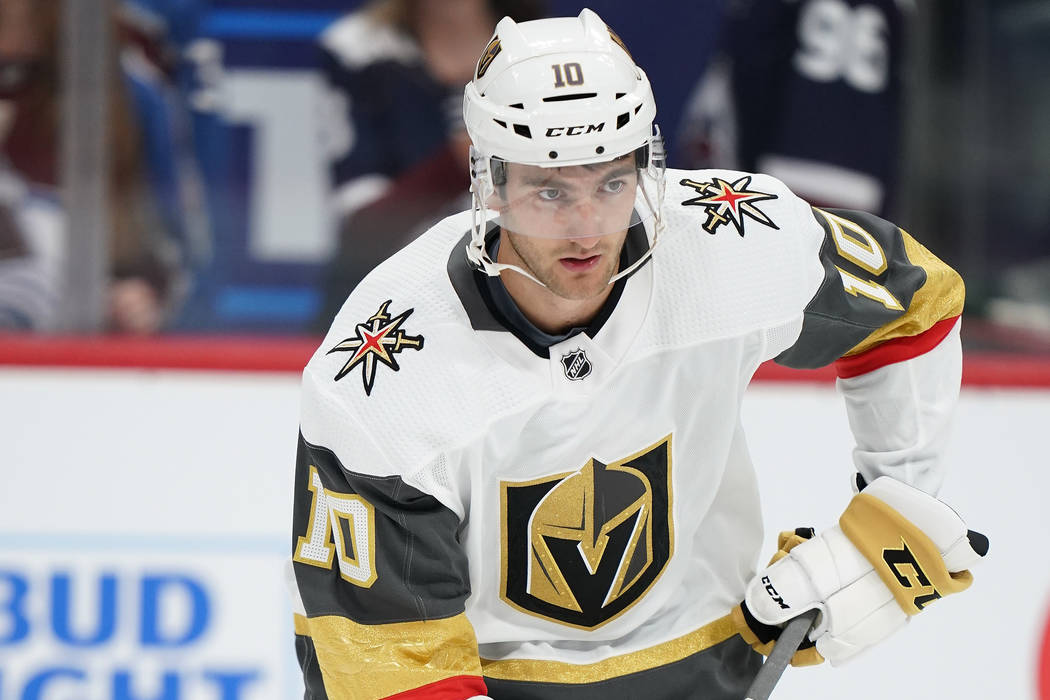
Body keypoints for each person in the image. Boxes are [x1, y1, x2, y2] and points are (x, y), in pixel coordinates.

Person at [289, 9, 986, 699]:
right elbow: (391, 674)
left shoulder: (732, 241)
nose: (587, 227)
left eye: (612, 182)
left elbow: (915, 304)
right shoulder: (383, 373)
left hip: (707, 664)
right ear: (491, 185)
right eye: (551, 189)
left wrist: (900, 506)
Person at [313, 0, 545, 330]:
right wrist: (459, 162)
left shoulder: (547, 47)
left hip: (522, 301)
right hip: (388, 309)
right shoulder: (357, 50)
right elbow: (361, 231)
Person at [675, 0, 909, 218]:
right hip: (862, 184)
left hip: (785, 167)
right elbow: (895, 105)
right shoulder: (892, 10)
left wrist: (751, 165)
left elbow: (752, 71)